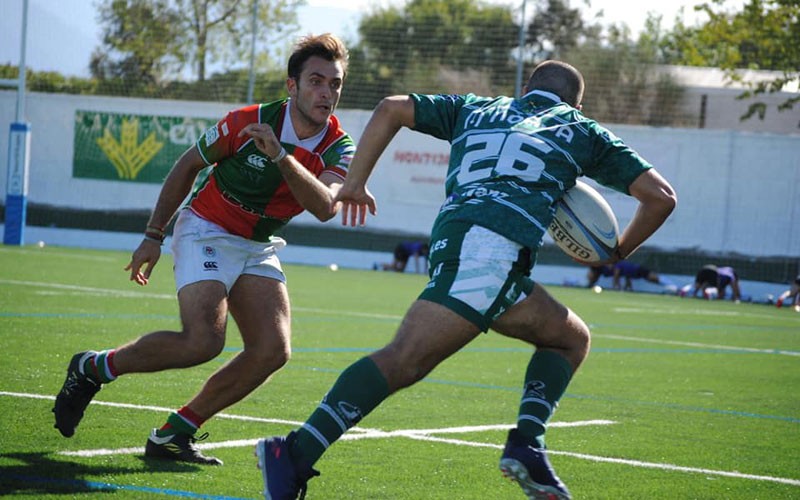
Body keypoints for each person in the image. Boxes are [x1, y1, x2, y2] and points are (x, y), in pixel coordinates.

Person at [254, 60, 677, 499]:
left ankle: (528, 445)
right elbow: (661, 198)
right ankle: (294, 453)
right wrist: (616, 253)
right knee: (406, 359)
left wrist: (355, 182)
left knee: (569, 338)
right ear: (578, 104)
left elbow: (390, 108)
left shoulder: (477, 108)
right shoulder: (581, 129)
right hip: (491, 250)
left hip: (463, 242)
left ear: (526, 89)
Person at [52, 33, 361, 466]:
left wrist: (279, 156)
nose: (327, 93)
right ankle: (93, 368)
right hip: (206, 227)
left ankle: (173, 434)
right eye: (316, 81)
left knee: (273, 351)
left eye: (335, 83)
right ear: (292, 86)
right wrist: (153, 234)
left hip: (257, 244)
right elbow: (188, 165)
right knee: (202, 340)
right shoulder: (245, 121)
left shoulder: (339, 146)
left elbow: (326, 207)